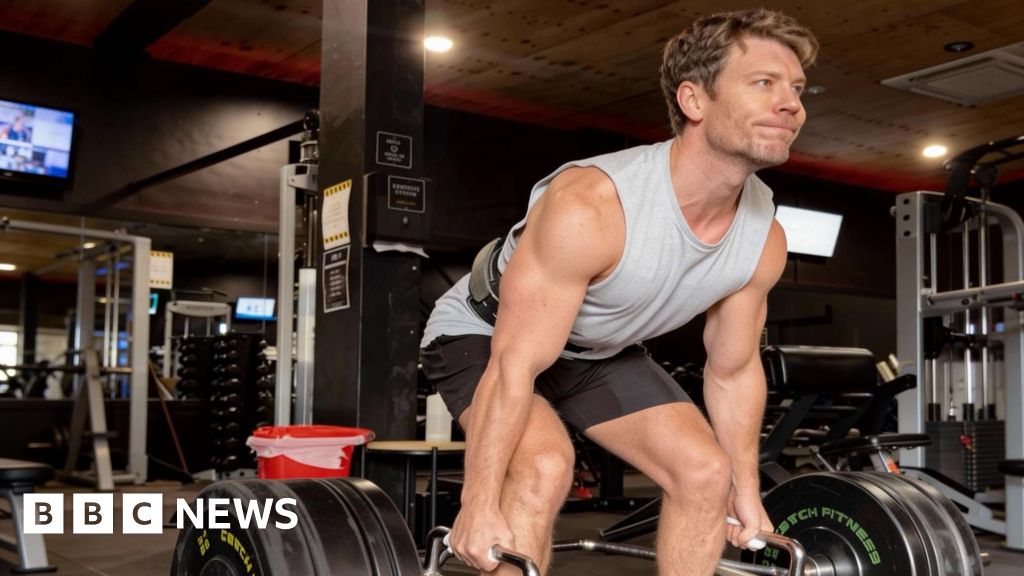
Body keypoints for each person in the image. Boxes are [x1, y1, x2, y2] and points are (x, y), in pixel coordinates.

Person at [420, 8, 818, 576]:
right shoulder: (593, 205)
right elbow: (514, 363)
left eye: (797, 89)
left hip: (596, 350)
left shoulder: (764, 238)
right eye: (764, 83)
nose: (791, 103)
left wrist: (746, 491)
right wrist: (477, 503)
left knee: (706, 472)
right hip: (482, 333)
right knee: (542, 466)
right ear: (694, 100)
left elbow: (732, 371)